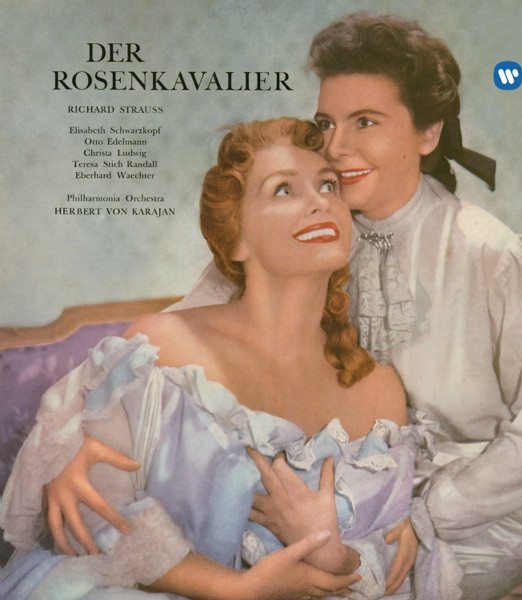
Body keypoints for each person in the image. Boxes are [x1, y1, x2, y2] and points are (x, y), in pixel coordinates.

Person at [24, 11, 522, 600]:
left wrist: (426, 514)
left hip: (474, 519)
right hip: (336, 506)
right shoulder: (321, 224)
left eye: (365, 122)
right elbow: (164, 346)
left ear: (428, 134)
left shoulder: (492, 253)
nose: (337, 147)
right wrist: (71, 451)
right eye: (326, 123)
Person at [0, 118, 458, 600]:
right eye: (284, 189)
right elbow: (95, 519)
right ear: (236, 238)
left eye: (328, 185)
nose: (320, 201)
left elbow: (390, 563)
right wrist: (237, 589)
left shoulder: (378, 387)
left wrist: (328, 550)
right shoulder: (162, 349)